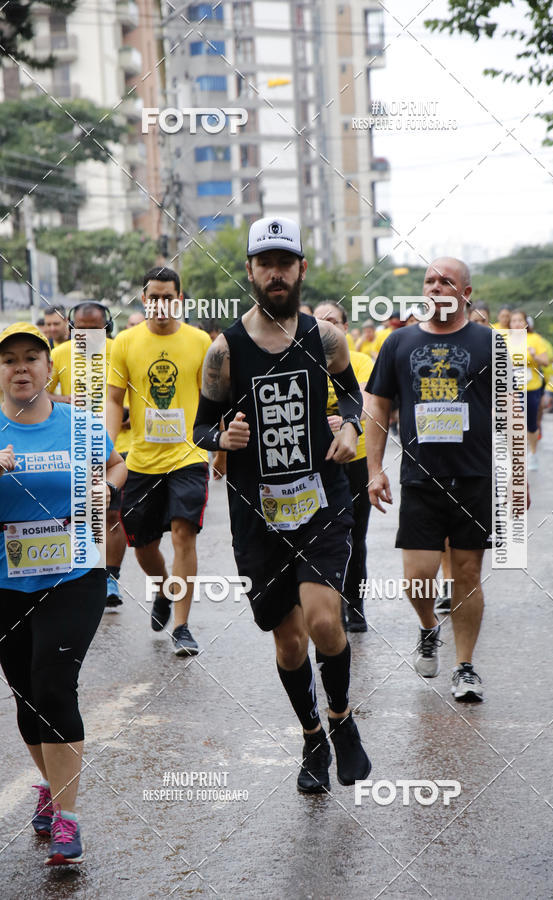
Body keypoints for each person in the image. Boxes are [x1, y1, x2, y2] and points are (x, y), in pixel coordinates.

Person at [194, 216, 370, 793]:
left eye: (285, 262)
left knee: (323, 619)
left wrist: (347, 424)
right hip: (257, 514)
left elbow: (350, 392)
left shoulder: (324, 337)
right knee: (289, 639)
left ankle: (342, 720)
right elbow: (200, 427)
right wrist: (223, 439)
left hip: (321, 500)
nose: (275, 273)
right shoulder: (224, 350)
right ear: (249, 271)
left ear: (299, 269)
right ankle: (311, 736)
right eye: (264, 263)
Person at [0, 322, 126, 866]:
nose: (21, 367)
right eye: (10, 360)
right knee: (27, 694)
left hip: (74, 573)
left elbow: (117, 464)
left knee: (54, 682)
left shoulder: (77, 424)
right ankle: (50, 789)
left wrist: (108, 486)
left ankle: (69, 821)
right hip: (5, 580)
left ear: (50, 369)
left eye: (32, 357)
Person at [366, 257, 498, 702]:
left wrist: (517, 476)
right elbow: (378, 408)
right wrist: (374, 468)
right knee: (417, 579)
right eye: (430, 281)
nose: (436, 287)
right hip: (421, 480)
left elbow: (512, 410)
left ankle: (465, 667)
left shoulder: (489, 342)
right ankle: (428, 628)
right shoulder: (398, 342)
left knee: (467, 574)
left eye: (447, 282)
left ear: (466, 293)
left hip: (473, 477)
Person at [107, 267, 212, 656]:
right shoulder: (125, 342)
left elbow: (212, 399)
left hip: (187, 456)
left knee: (185, 533)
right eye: (153, 297)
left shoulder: (200, 342)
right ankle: (165, 588)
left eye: (168, 297)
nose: (161, 305)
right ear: (143, 299)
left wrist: (217, 447)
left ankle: (182, 627)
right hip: (142, 459)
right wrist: (107, 449)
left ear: (180, 299)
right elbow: (115, 399)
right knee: (143, 545)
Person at [46, 302, 130, 610]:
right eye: (81, 329)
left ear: (106, 327)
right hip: (71, 448)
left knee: (109, 514)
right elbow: (39, 394)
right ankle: (73, 574)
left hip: (115, 446)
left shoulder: (118, 350)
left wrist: (130, 412)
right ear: (71, 327)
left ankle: (111, 576)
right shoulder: (59, 355)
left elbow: (130, 391)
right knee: (76, 515)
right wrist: (63, 399)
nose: (88, 336)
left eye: (95, 330)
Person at [314, 302, 374, 631]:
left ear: (346, 328)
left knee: (355, 536)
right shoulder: (305, 360)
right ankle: (328, 606)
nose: (327, 327)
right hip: (317, 464)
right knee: (323, 538)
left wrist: (347, 420)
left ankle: (356, 605)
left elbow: (359, 398)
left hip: (355, 460)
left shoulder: (360, 360)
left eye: (333, 321)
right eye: (320, 322)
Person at [508, 309, 548, 471]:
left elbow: (545, 361)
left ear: (525, 323)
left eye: (519, 320)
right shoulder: (504, 339)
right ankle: (516, 455)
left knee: (531, 423)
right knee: (515, 422)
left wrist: (534, 356)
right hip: (512, 388)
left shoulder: (535, 339)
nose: (516, 323)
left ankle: (533, 453)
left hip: (531, 387)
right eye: (513, 321)